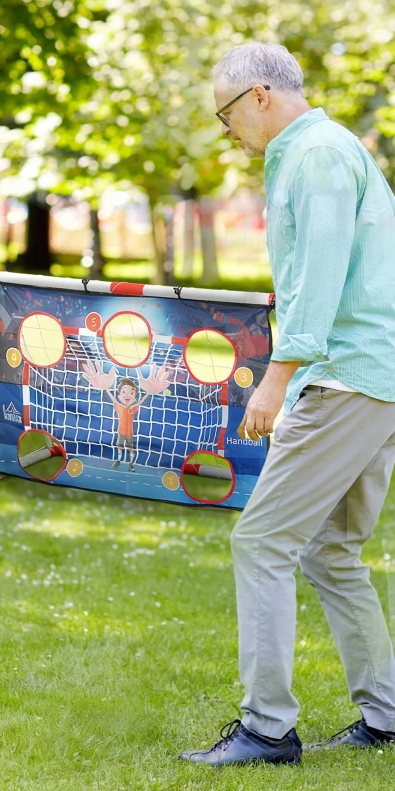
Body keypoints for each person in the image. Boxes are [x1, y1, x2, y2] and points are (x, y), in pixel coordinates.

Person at [179, 41, 395, 767]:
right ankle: (388, 716)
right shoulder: (318, 152)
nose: (228, 130)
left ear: (262, 95)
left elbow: (324, 279)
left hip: (344, 377)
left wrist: (277, 379)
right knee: (332, 551)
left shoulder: (318, 157)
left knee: (263, 541)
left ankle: (267, 730)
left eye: (227, 114)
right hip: (371, 377)